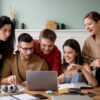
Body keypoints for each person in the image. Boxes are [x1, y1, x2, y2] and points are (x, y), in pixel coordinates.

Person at [82, 11, 100, 85]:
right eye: (85, 25)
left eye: (89, 24)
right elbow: (85, 61)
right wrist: (94, 63)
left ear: (99, 23)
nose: (87, 27)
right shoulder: (88, 41)